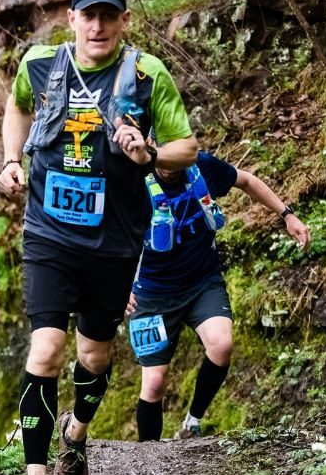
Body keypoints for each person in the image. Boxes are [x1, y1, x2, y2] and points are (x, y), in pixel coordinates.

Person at [0, 0, 200, 475]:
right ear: (72, 20)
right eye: (89, 15)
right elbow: (16, 107)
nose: (98, 25)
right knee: (45, 351)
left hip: (114, 242)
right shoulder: (38, 65)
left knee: (95, 357)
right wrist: (13, 160)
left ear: (124, 21)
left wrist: (151, 149)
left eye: (109, 15)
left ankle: (77, 432)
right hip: (48, 234)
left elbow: (188, 148)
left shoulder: (145, 73)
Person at [126, 151, 310, 440]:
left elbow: (246, 181)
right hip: (151, 295)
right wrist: (115, 286)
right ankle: (149, 459)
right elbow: (104, 232)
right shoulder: (130, 180)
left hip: (202, 282)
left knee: (221, 345)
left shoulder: (202, 166)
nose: (172, 166)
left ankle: (192, 423)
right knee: (154, 383)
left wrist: (287, 215)